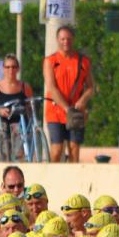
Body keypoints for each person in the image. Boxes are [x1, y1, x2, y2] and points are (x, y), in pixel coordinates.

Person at [43, 25, 94, 163]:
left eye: (68, 39)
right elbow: (51, 88)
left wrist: (83, 100)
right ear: (57, 40)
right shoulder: (50, 61)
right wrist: (66, 108)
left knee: (74, 148)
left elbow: (90, 87)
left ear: (73, 39)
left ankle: (73, 179)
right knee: (57, 148)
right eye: (62, 39)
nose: (65, 42)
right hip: (55, 111)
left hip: (76, 113)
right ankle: (52, 177)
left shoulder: (83, 61)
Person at [0, 55, 34, 159]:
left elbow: (30, 104)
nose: (11, 70)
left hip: (20, 123)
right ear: (3, 69)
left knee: (19, 153)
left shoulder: (24, 86)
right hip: (2, 123)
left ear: (18, 69)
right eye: (7, 67)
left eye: (13, 67)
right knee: (4, 152)